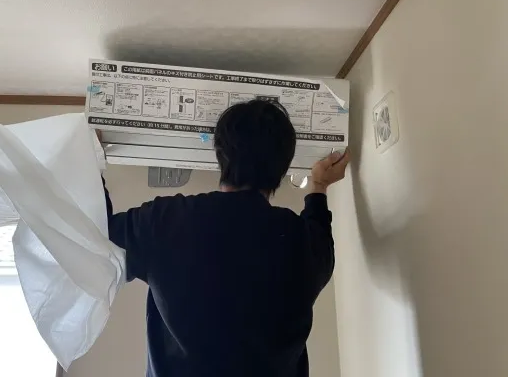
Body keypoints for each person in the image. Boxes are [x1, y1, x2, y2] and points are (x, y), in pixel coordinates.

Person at [102, 99, 350, 377]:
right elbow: (318, 230)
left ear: (220, 154)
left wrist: (90, 161)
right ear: (282, 169)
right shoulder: (302, 242)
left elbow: (98, 242)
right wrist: (319, 185)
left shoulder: (165, 222)